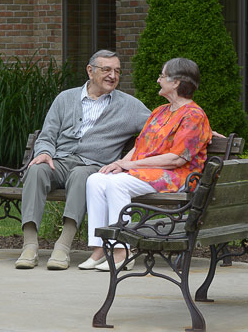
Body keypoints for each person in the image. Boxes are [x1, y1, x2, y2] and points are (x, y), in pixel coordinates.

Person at [15, 50, 151, 270]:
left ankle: (63, 246)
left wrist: (203, 131)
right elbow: (48, 134)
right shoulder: (65, 98)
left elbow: (162, 126)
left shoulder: (130, 106)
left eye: (117, 71)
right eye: (106, 69)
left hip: (93, 165)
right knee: (37, 169)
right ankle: (29, 245)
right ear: (90, 71)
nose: (112, 76)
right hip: (59, 161)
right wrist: (44, 152)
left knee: (81, 175)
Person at [81, 57, 211, 271]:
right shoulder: (160, 111)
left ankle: (122, 251)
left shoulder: (194, 116)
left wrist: (129, 167)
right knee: (96, 179)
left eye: (162, 76)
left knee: (117, 184)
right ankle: (99, 248)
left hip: (177, 175)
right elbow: (141, 144)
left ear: (176, 82)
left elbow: (176, 159)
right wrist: (122, 162)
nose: (158, 80)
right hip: (150, 172)